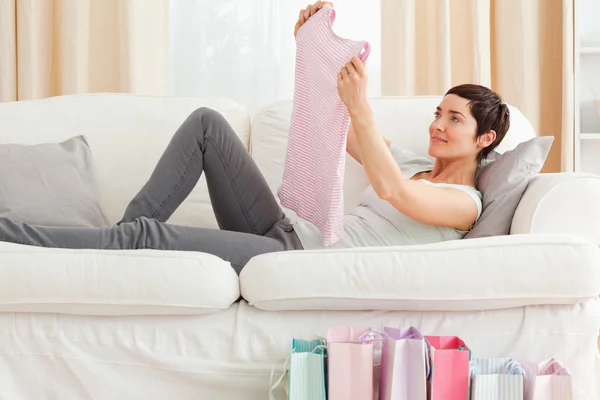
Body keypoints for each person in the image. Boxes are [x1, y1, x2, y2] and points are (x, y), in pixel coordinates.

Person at [0, 1, 509, 274]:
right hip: (285, 228)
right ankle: (116, 245)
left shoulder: (463, 204)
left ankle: (22, 236)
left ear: (484, 139)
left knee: (145, 237)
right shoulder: (413, 161)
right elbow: (343, 136)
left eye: (455, 120)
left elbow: (392, 190)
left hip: (300, 259)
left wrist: (360, 105)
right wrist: (315, 52)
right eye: (438, 112)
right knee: (207, 126)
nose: (438, 125)